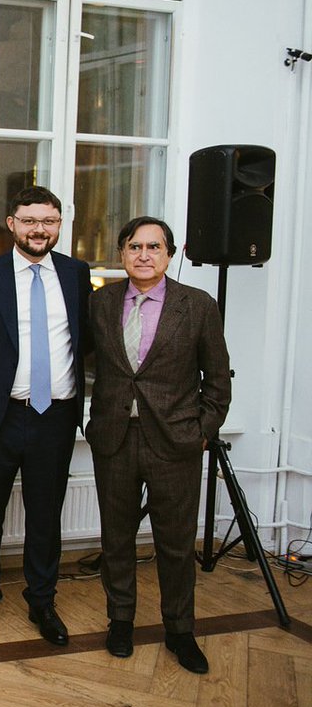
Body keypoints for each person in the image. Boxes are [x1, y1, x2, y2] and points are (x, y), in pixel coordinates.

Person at [87, 217, 230, 674]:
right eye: (135, 247)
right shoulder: (101, 302)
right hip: (115, 438)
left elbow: (218, 380)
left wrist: (202, 431)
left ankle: (180, 631)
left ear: (169, 254)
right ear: (122, 254)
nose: (144, 255)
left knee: (176, 543)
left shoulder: (198, 305)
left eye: (154, 247)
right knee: (116, 539)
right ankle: (120, 621)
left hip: (175, 442)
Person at [0, 186, 91, 646]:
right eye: (30, 220)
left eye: (49, 221)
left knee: (45, 517)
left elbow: (85, 340)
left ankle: (42, 601)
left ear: (60, 225)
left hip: (55, 417)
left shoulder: (77, 274)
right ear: (12, 224)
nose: (40, 229)